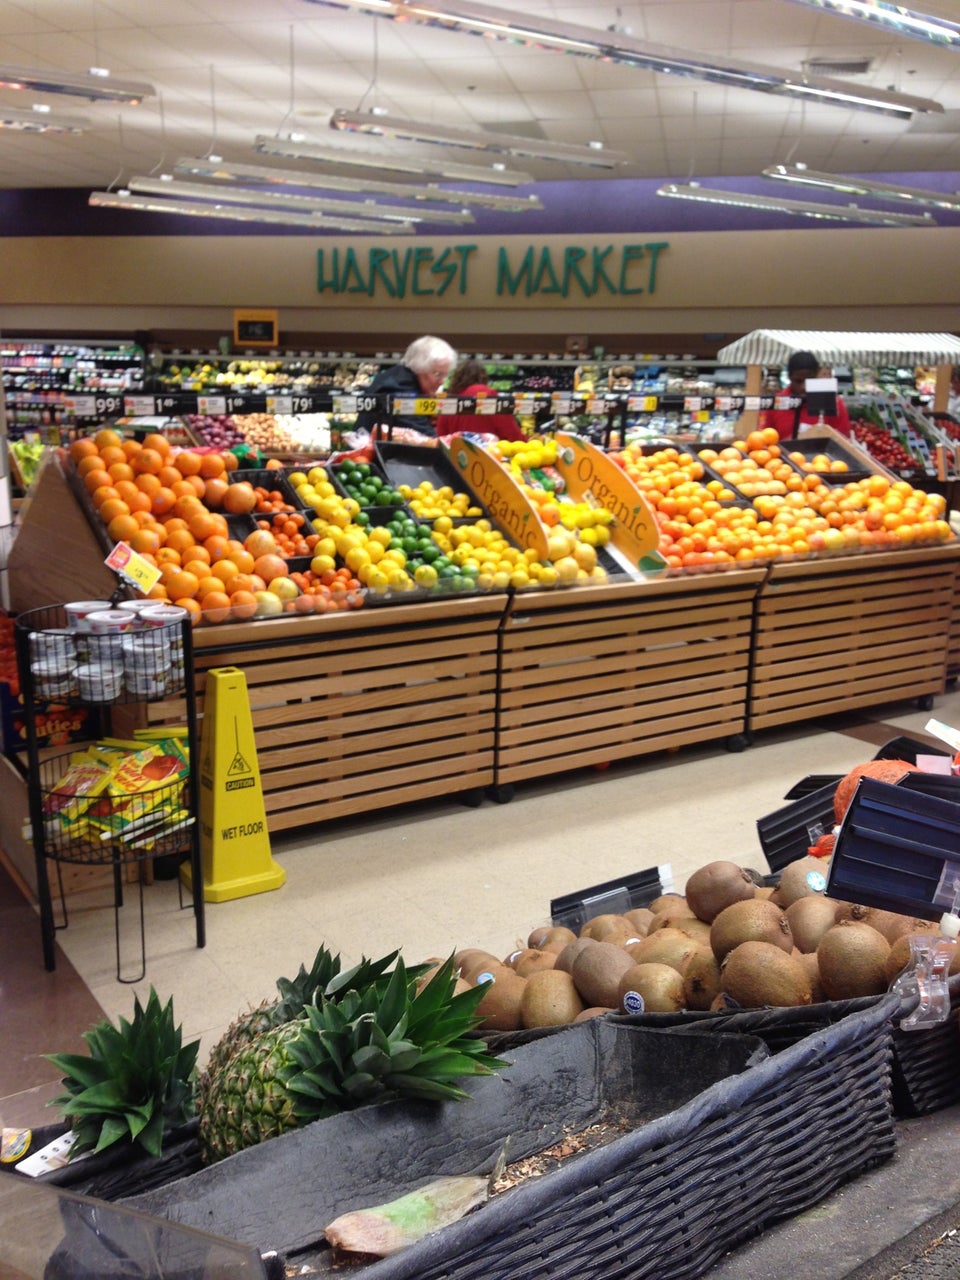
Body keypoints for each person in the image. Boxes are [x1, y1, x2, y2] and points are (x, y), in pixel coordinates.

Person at [354, 335, 457, 437]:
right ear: (419, 368)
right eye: (438, 374)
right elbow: (424, 436)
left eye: (446, 375)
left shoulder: (395, 376)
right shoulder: (401, 389)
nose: (442, 382)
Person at [758, 349, 851, 440]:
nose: (803, 387)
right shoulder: (777, 404)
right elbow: (767, 441)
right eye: (798, 381)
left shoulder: (834, 403)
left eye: (808, 380)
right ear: (789, 377)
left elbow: (844, 442)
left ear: (816, 375)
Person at [435, 358, 525, 442]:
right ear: (483, 376)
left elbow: (441, 436)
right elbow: (509, 430)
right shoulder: (486, 393)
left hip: (456, 452)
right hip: (486, 451)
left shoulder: (449, 401)